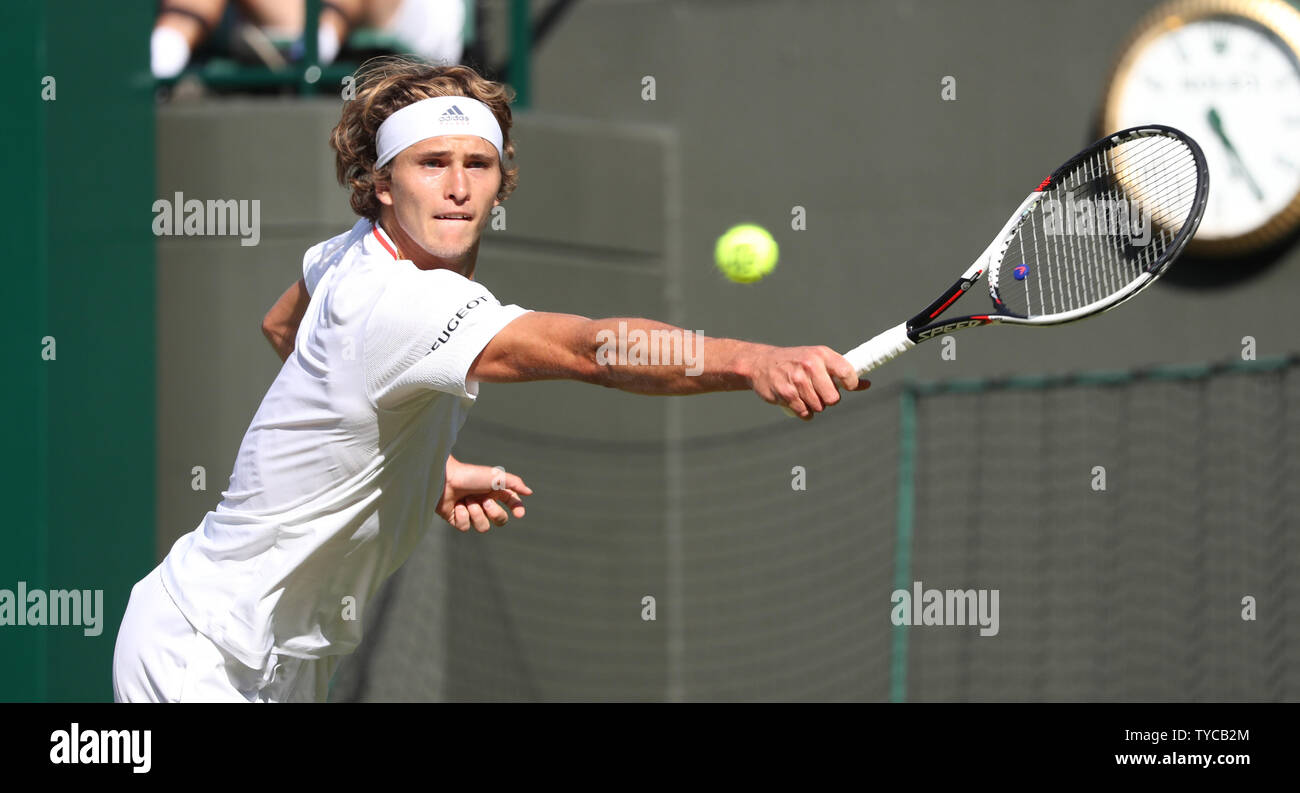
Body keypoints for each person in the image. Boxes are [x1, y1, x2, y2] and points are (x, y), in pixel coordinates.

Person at [113, 56, 867, 702]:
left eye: (477, 164)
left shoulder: (350, 253)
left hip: (282, 657)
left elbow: (285, 324)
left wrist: (421, 467)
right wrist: (751, 360)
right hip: (200, 649)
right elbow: (591, 350)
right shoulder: (405, 299)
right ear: (381, 182)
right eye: (430, 163)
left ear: (501, 183)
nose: (457, 187)